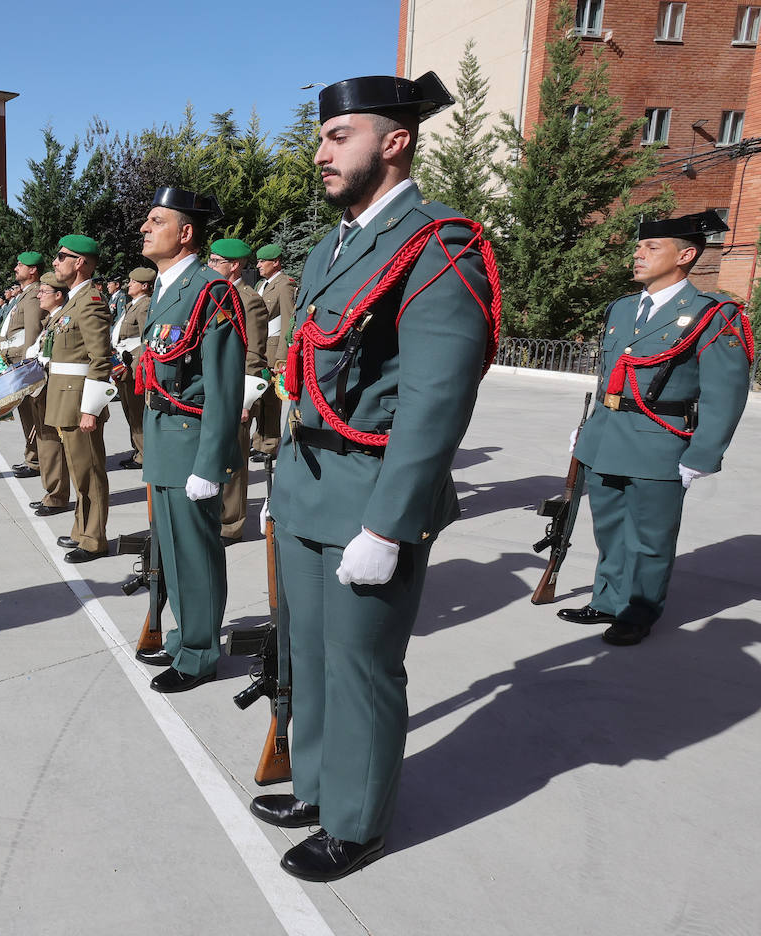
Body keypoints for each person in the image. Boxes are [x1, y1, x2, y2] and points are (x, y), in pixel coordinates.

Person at [254, 72, 498, 882]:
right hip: (310, 482)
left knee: (361, 666)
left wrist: (390, 523)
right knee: (312, 654)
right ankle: (321, 784)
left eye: (338, 137)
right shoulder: (337, 243)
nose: (319, 152)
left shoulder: (440, 243)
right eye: (321, 138)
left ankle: (358, 822)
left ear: (394, 142)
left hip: (369, 495)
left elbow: (436, 399)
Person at [559, 210, 752, 646]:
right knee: (609, 529)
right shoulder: (623, 308)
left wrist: (703, 455)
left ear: (685, 255)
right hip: (606, 437)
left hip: (660, 442)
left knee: (650, 537)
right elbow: (609, 375)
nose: (638, 254)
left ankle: (638, 611)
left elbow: (726, 394)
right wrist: (589, 428)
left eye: (651, 247)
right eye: (639, 246)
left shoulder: (713, 315)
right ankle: (607, 601)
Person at [133, 188, 247, 693]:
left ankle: (200, 654)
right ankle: (184, 637)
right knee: (173, 551)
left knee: (195, 553)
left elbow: (224, 388)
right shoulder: (166, 286)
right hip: (163, 437)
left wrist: (210, 463)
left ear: (185, 234)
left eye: (156, 221)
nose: (144, 228)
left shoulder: (211, 291)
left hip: (190, 440)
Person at [44, 235, 115, 562]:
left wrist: (91, 409)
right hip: (64, 398)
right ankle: (80, 530)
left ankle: (94, 539)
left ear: (80, 263)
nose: (56, 262)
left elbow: (100, 359)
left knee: (89, 471)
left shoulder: (90, 301)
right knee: (77, 470)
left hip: (79, 403)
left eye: (62, 257)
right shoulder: (74, 299)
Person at [206, 238, 271, 545]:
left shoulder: (248, 300)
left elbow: (254, 354)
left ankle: (231, 524)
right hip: (211, 387)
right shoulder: (215, 294)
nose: (209, 266)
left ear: (233, 266)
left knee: (232, 460)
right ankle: (214, 514)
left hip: (235, 393)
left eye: (215, 261)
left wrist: (244, 400)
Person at [0, 251, 47, 479]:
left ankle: (36, 460)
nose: (16, 267)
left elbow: (33, 333)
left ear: (33, 270)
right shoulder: (24, 295)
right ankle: (33, 456)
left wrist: (27, 366)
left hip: (23, 363)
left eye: (21, 264)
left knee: (32, 414)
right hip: (15, 361)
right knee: (26, 413)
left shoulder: (34, 295)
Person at [29, 273, 73, 516]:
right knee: (45, 443)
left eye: (43, 292)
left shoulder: (63, 319)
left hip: (55, 390)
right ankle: (52, 492)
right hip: (42, 388)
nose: (38, 295)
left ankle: (57, 495)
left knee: (53, 444)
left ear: (58, 295)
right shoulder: (51, 321)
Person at [254, 243, 296, 461]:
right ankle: (259, 438)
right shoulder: (263, 284)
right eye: (259, 261)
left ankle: (270, 444)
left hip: (272, 349)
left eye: (263, 261)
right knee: (258, 396)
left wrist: (282, 356)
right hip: (258, 347)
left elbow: (289, 321)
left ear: (276, 262)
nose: (259, 265)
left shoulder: (284, 285)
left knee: (271, 399)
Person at [111, 267, 154, 469]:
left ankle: (145, 454)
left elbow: (147, 339)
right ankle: (137, 450)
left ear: (144, 286)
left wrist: (136, 365)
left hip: (132, 365)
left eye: (133, 282)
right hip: (123, 363)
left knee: (137, 412)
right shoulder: (132, 305)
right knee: (129, 411)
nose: (129, 284)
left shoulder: (144, 305)